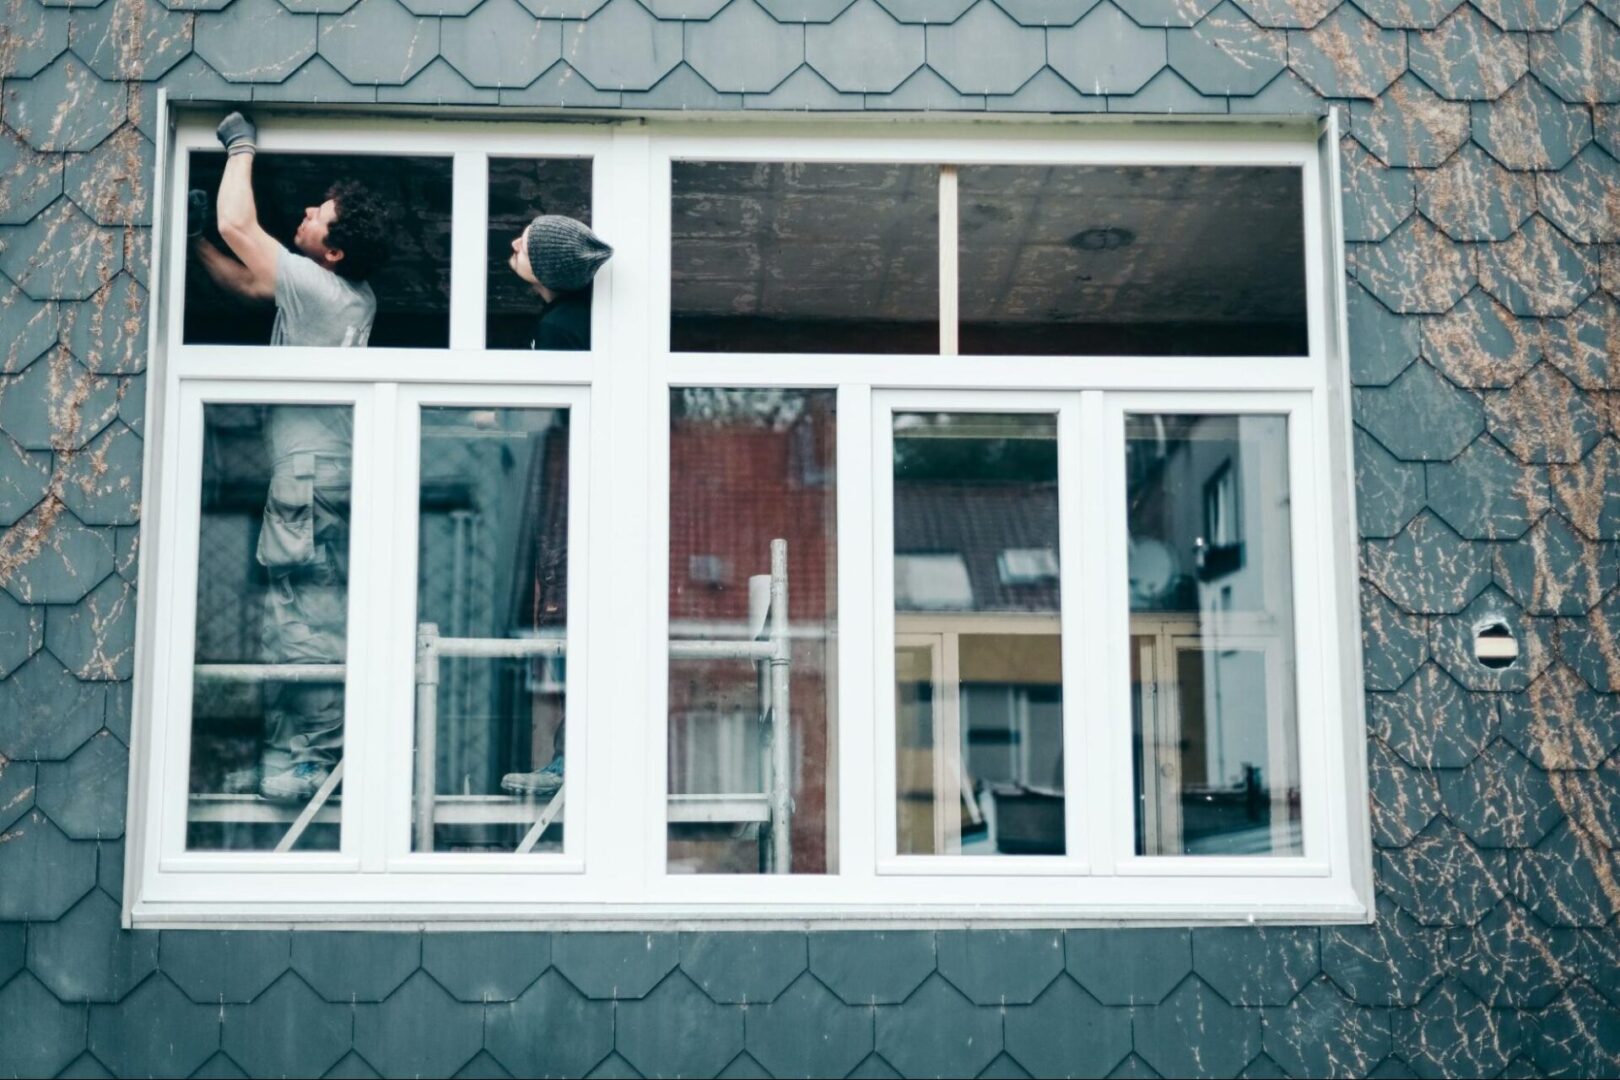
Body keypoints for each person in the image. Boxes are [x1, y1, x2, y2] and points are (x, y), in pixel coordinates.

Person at [191, 111, 390, 802]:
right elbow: (247, 283)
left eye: (318, 213)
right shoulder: (340, 293)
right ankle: (295, 757)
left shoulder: (323, 290)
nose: (305, 210)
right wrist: (193, 240)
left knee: (303, 626)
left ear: (332, 251)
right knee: (295, 619)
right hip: (318, 477)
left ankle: (317, 763)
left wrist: (239, 150)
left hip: (308, 483)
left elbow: (241, 231)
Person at [498, 214, 612, 797]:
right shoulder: (580, 320)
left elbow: (546, 413)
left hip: (572, 497)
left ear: (547, 268)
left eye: (527, 243)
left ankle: (575, 760)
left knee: (566, 618)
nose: (513, 243)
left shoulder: (564, 326)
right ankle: (571, 757)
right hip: (574, 491)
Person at [507, 215, 613, 351]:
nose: (514, 244)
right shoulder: (570, 315)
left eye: (524, 247)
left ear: (545, 270)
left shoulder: (557, 330)